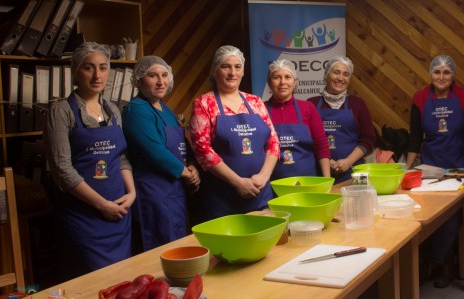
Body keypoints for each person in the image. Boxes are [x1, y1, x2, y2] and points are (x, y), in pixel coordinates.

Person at [44, 42, 135, 279]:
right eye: (89, 68)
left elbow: (121, 157)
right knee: (90, 282)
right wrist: (101, 205)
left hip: (118, 215)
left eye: (103, 68)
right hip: (83, 217)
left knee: (121, 282)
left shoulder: (113, 110)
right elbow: (62, 171)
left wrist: (132, 193)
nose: (98, 75)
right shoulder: (61, 111)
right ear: (76, 71)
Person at [406, 54, 464, 287]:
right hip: (430, 166)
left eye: (447, 72)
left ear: (453, 75)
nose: (441, 77)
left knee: (450, 218)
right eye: (437, 72)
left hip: (460, 167)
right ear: (430, 74)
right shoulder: (420, 98)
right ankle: (439, 260)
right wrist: (407, 168)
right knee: (428, 215)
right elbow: (415, 136)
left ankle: (442, 262)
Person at [188, 45, 279, 223]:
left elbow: (273, 142)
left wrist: (264, 176)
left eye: (237, 67)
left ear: (243, 71)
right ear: (214, 71)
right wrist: (237, 182)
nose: (232, 72)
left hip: (260, 193)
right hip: (222, 197)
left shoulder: (255, 102)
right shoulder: (204, 103)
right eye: (225, 66)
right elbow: (202, 149)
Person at [121, 56, 200, 251]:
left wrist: (192, 165)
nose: (160, 81)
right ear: (139, 80)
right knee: (161, 250)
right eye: (152, 75)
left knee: (179, 245)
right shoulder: (135, 110)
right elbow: (154, 151)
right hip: (153, 192)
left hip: (176, 190)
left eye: (164, 75)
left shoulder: (166, 109)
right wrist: (186, 173)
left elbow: (183, 143)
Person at [307, 56, 376, 183]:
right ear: (326, 75)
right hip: (320, 172)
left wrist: (348, 162)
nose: (340, 78)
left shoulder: (358, 104)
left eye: (346, 74)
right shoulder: (311, 104)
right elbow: (307, 140)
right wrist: (328, 162)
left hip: (354, 171)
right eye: (336, 72)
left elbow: (368, 139)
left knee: (355, 202)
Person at [264, 59, 331, 179]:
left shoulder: (308, 108)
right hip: (272, 183)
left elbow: (321, 145)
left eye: (288, 77)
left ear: (295, 82)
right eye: (277, 77)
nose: (282, 82)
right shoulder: (260, 109)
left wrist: (328, 180)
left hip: (307, 181)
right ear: (269, 82)